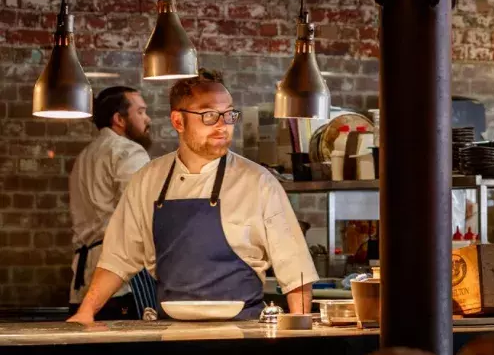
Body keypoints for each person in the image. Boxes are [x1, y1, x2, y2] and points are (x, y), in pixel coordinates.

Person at [68, 69, 317, 323]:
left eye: (229, 114)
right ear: (178, 121)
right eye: (209, 115)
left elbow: (295, 268)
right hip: (169, 336)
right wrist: (86, 312)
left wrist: (301, 328)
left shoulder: (259, 182)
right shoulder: (148, 180)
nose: (223, 125)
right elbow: (117, 257)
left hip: (245, 336)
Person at [69, 86, 153, 319]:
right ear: (119, 119)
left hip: (83, 277)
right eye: (141, 112)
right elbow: (140, 216)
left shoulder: (85, 156)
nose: (148, 119)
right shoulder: (129, 152)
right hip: (119, 278)